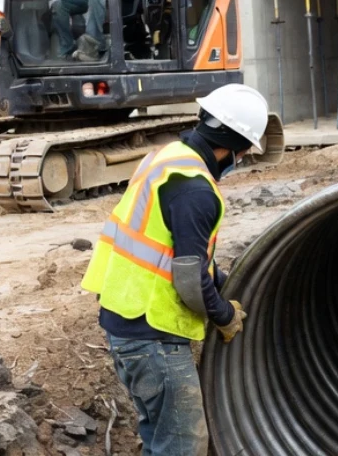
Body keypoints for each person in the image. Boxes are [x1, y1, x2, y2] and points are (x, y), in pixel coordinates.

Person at [80, 83, 271, 455]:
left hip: (126, 320)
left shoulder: (168, 157)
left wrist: (222, 282)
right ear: (232, 146)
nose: (242, 159)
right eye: (245, 152)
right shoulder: (195, 190)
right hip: (152, 334)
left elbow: (178, 250)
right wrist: (223, 314)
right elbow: (189, 278)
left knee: (161, 436)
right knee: (183, 444)